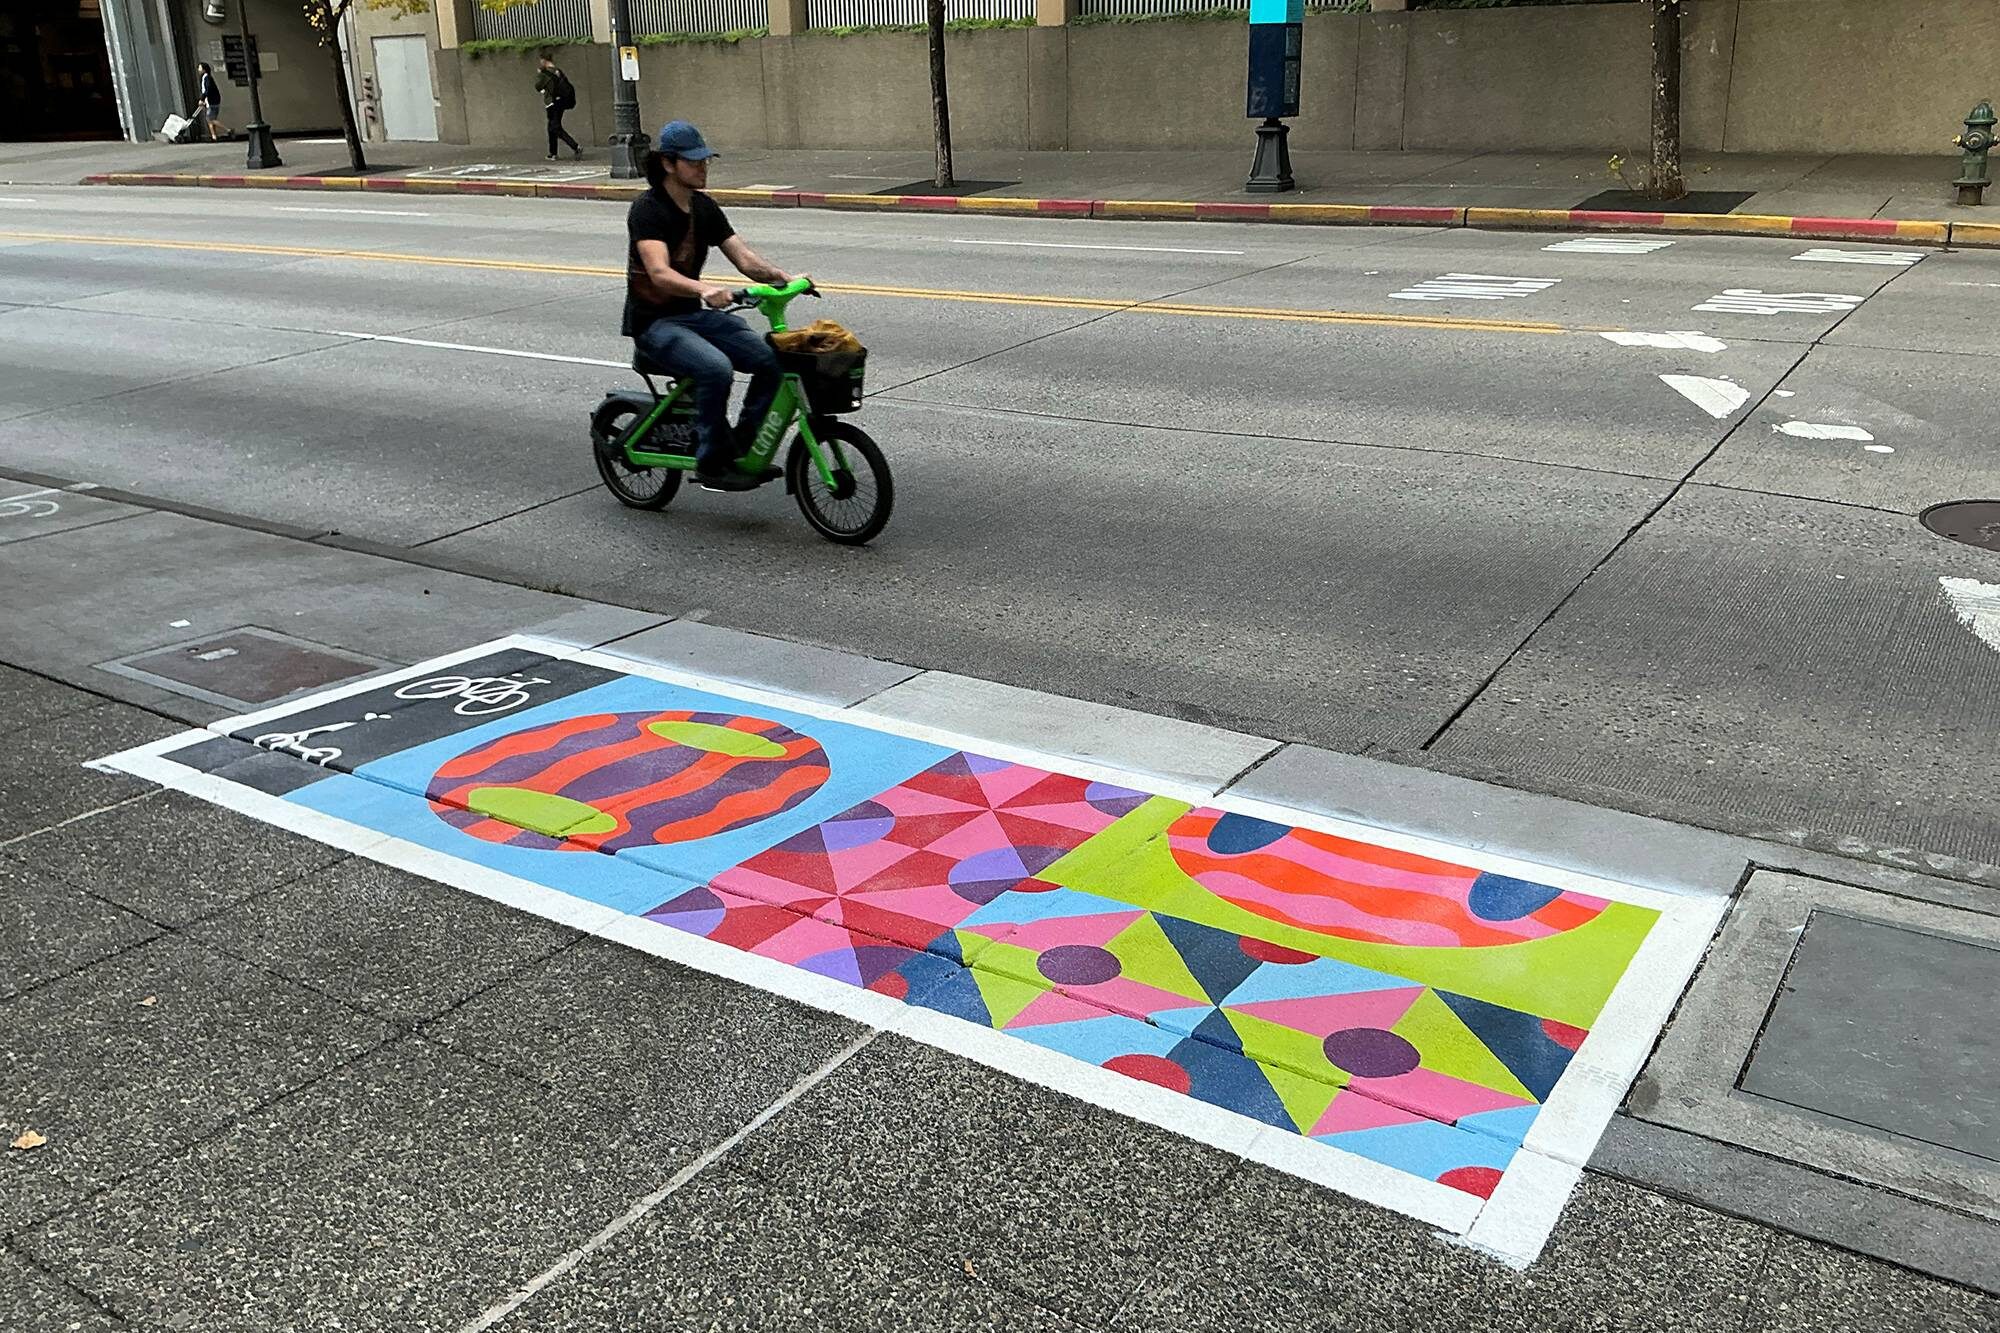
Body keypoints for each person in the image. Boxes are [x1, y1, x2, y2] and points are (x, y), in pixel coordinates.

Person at [623, 120, 800, 491]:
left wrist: (781, 277)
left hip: (691, 316)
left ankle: (740, 446)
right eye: (694, 161)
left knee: (772, 361)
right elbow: (658, 272)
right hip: (655, 324)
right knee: (716, 369)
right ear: (669, 164)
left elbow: (744, 259)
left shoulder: (704, 208)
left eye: (705, 160)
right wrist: (704, 289)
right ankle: (711, 462)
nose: (703, 167)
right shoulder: (648, 209)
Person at [534, 54, 581, 161]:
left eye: (541, 60)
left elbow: (538, 86)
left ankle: (575, 146)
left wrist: (540, 74)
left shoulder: (544, 73)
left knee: (555, 127)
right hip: (561, 102)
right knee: (552, 127)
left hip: (552, 103)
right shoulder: (558, 71)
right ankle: (553, 153)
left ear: (544, 61)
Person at [192, 62, 228, 141]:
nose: (198, 69)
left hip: (211, 101)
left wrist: (202, 99)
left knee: (210, 119)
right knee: (211, 119)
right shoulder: (207, 77)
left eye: (200, 68)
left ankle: (227, 129)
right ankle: (214, 136)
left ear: (204, 69)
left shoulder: (206, 78)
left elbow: (207, 90)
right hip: (213, 100)